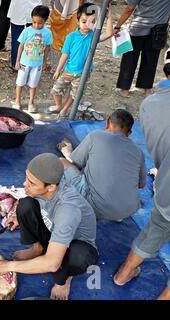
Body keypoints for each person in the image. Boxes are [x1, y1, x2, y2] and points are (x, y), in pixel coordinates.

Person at [0, 153, 98, 300]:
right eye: (26, 178)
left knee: (77, 257)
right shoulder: (45, 187)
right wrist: (19, 217)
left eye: (32, 183)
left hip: (75, 245)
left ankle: (65, 279)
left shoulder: (68, 209)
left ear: (50, 187)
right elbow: (32, 205)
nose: (25, 184)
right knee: (24, 205)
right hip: (53, 230)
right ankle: (38, 249)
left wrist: (8, 266)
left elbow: (52, 264)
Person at [113, 48, 170, 300]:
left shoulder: (151, 104)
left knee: (154, 230)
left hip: (167, 187)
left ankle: (124, 273)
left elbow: (158, 153)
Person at [57, 109, 146, 221]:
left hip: (95, 207)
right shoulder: (139, 151)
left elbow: (76, 164)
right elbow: (141, 185)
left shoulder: (95, 136)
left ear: (107, 123)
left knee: (61, 162)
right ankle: (115, 213)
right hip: (127, 211)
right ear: (129, 133)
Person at [46, 3, 113, 118]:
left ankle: (65, 110)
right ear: (77, 21)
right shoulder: (71, 36)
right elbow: (64, 55)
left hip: (83, 73)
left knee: (75, 94)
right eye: (83, 21)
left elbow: (109, 34)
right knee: (55, 91)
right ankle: (58, 106)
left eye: (91, 22)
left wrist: (109, 17)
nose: (87, 25)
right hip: (68, 71)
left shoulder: (94, 36)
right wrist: (58, 70)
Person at [114, 0, 170, 98]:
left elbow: (129, 8)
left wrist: (118, 26)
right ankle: (147, 90)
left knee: (129, 61)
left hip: (137, 29)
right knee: (151, 61)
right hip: (158, 31)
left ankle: (124, 90)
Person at [13, 5, 52, 113]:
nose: (36, 25)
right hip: (24, 63)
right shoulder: (27, 31)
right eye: (34, 22)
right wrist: (17, 61)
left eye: (40, 23)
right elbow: (21, 46)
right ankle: (17, 101)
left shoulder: (47, 33)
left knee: (33, 84)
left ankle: (31, 102)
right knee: (20, 83)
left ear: (45, 21)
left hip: (37, 64)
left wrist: (44, 62)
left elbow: (47, 48)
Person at [49, 0, 84, 71]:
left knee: (75, 31)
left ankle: (72, 66)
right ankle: (57, 67)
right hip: (59, 6)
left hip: (77, 6)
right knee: (57, 30)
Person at [7, 0, 42, 69]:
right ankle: (30, 63)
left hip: (19, 7)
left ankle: (15, 63)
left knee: (17, 38)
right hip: (34, 6)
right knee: (33, 37)